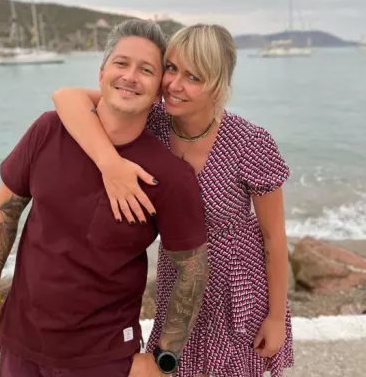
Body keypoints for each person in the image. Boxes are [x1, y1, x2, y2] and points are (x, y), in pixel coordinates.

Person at [52, 23, 294, 377]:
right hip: (179, 276)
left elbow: (273, 237)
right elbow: (66, 97)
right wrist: (109, 164)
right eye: (171, 68)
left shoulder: (251, 143)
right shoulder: (154, 122)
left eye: (193, 77)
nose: (174, 85)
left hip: (237, 286)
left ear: (218, 84)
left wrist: (275, 318)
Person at [0, 19, 209, 377]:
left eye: (146, 70)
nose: (130, 76)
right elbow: (4, 212)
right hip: (21, 343)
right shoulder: (48, 129)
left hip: (104, 359)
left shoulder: (170, 175)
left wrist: (165, 357)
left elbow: (192, 269)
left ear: (158, 92)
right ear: (101, 74)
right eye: (121, 63)